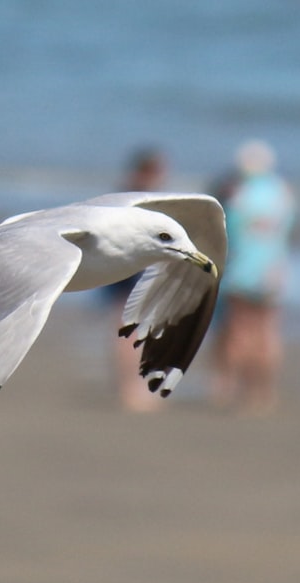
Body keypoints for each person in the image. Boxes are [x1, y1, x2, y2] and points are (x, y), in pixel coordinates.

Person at [210, 140, 295, 415]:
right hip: (272, 273)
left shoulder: (239, 195)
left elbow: (228, 235)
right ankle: (265, 391)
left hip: (243, 272)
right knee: (268, 333)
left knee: (240, 332)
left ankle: (233, 387)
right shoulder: (282, 193)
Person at [104, 147, 168, 411]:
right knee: (128, 328)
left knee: (136, 328)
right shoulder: (135, 198)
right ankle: (130, 388)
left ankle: (133, 386)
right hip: (129, 270)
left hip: (134, 268)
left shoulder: (130, 195)